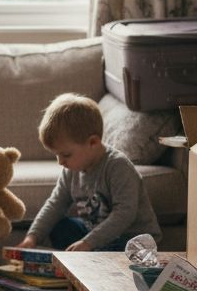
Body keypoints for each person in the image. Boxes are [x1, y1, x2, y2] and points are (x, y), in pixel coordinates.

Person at [18, 93, 161, 252]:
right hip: (95, 232)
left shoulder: (118, 167)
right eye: (56, 155)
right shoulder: (72, 170)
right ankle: (84, 257)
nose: (60, 162)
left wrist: (88, 242)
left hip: (131, 238)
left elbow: (125, 214)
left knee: (109, 252)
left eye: (66, 155)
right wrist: (33, 237)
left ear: (93, 142)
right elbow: (55, 204)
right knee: (61, 228)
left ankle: (89, 258)